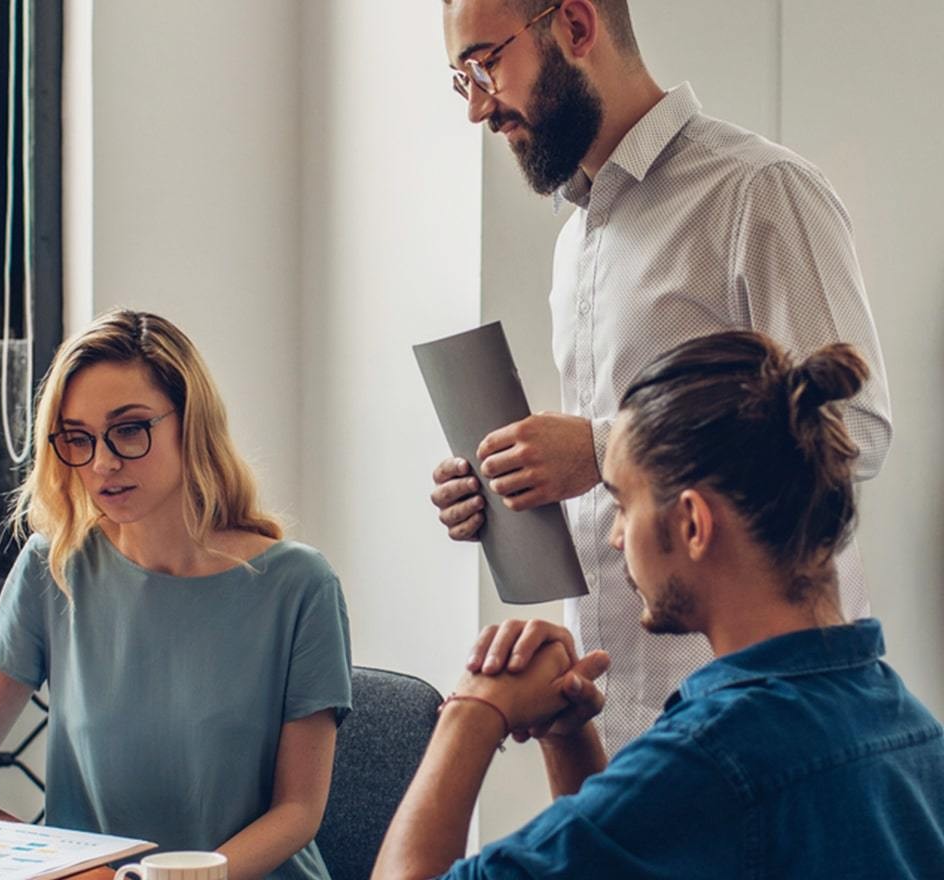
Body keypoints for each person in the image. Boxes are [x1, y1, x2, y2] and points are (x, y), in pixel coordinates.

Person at [429, 0, 893, 751]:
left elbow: (855, 429)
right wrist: (505, 487)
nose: (479, 107)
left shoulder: (759, 190)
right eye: (461, 80)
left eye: (485, 65)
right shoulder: (575, 239)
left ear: (576, 27)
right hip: (610, 716)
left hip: (760, 722)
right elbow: (611, 473)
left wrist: (601, 448)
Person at [376, 331, 944, 879]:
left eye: (622, 504)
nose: (617, 536)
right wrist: (567, 736)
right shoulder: (911, 729)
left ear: (693, 523)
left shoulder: (714, 759)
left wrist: (475, 707)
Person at [0, 309, 353, 880]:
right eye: (79, 438)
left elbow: (298, 810)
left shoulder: (299, 586)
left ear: (190, 423)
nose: (103, 462)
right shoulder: (53, 566)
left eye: (129, 429)